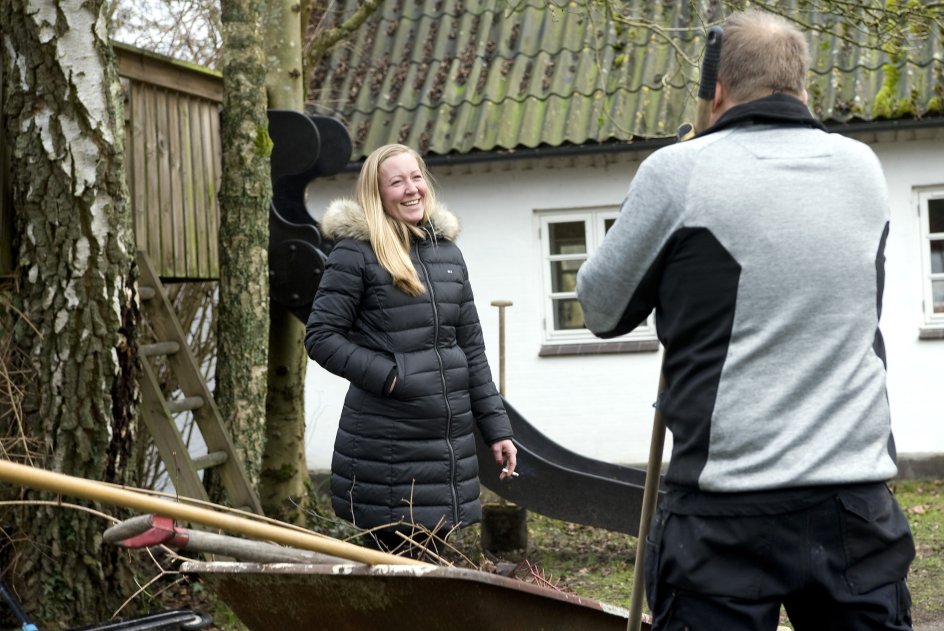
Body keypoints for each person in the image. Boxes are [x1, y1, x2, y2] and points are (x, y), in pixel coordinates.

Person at [576, 10, 914, 631]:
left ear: (717, 91)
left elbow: (600, 308)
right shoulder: (862, 167)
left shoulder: (678, 173)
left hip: (724, 510)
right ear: (803, 87)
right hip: (854, 505)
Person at [305, 143, 517, 559]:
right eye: (396, 181)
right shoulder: (355, 254)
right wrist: (391, 376)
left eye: (416, 176)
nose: (411, 189)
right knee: (403, 574)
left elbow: (471, 349)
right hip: (388, 451)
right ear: (377, 193)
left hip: (446, 449)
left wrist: (498, 429)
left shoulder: (448, 255)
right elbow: (321, 336)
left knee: (430, 570)